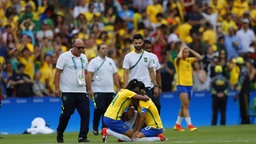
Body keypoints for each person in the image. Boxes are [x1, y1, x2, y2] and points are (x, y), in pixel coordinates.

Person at [54, 39, 92, 143]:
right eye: (79, 47)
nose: (81, 50)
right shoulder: (64, 56)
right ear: (73, 47)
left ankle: (82, 137)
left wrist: (89, 89)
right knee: (66, 114)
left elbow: (86, 74)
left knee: (86, 113)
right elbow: (57, 72)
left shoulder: (84, 57)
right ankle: (60, 132)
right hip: (68, 91)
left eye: (83, 47)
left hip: (81, 91)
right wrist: (57, 88)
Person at [87, 43, 121, 135]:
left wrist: (118, 87)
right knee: (99, 108)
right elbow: (89, 75)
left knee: (107, 111)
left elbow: (115, 75)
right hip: (97, 89)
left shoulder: (111, 61)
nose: (105, 50)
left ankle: (104, 128)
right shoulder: (94, 61)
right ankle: (95, 125)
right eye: (103, 48)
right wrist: (89, 89)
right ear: (98, 50)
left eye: (106, 48)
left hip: (109, 90)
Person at [123, 34, 158, 109]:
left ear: (143, 43)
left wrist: (155, 86)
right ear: (133, 43)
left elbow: (151, 71)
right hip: (133, 87)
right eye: (136, 43)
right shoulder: (128, 56)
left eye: (140, 43)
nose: (138, 45)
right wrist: (125, 87)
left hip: (146, 86)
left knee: (147, 109)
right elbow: (125, 72)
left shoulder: (148, 56)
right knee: (134, 110)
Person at [173, 45, 202, 131]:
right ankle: (190, 125)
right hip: (181, 84)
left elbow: (200, 57)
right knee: (185, 105)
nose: (187, 54)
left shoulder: (189, 60)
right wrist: (181, 49)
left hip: (189, 85)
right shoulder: (177, 61)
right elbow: (178, 56)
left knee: (184, 105)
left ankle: (177, 125)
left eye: (187, 52)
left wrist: (190, 49)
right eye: (185, 52)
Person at [143, 39, 162, 113]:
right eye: (146, 48)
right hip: (144, 86)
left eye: (150, 48)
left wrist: (159, 87)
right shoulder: (140, 57)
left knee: (157, 106)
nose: (149, 50)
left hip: (154, 86)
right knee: (147, 107)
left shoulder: (154, 57)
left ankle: (156, 123)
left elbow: (158, 72)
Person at [233, 57, 251, 124]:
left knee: (245, 107)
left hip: (245, 92)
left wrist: (236, 93)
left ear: (238, 64)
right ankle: (244, 121)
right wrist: (236, 84)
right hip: (242, 92)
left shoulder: (243, 70)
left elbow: (241, 83)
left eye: (236, 63)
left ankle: (247, 122)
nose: (235, 64)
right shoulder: (242, 70)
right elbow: (240, 82)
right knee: (242, 107)